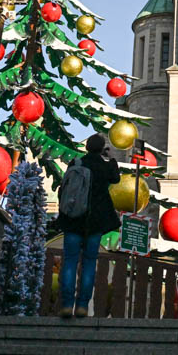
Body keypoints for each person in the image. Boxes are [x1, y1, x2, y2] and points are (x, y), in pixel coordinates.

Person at [54, 133, 121, 317]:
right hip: (95, 222)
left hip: (73, 219)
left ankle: (67, 305)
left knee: (70, 262)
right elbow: (116, 179)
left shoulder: (76, 164)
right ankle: (82, 305)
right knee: (90, 263)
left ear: (86, 148)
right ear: (101, 149)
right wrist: (111, 158)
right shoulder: (104, 166)